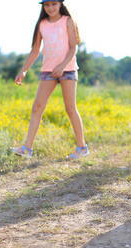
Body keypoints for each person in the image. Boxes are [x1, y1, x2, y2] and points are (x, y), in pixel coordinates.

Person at [12, 0, 88, 159]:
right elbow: (34, 51)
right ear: (43, 7)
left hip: (67, 69)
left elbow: (74, 47)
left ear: (60, 4)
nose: (50, 8)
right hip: (48, 70)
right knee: (37, 107)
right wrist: (23, 71)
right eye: (47, 5)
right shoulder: (42, 24)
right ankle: (27, 149)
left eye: (54, 4)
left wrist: (61, 66)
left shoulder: (68, 21)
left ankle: (81, 148)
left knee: (70, 108)